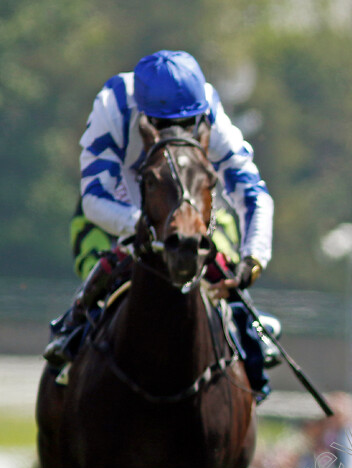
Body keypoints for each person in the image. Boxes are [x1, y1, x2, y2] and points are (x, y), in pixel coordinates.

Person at [45, 50, 276, 396]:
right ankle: (73, 327)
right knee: (112, 264)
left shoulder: (209, 106)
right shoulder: (113, 104)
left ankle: (250, 332)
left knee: (220, 260)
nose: (176, 133)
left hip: (189, 206)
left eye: (186, 124)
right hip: (121, 206)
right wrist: (144, 227)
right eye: (164, 124)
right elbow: (94, 197)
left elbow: (254, 194)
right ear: (143, 113)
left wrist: (252, 260)